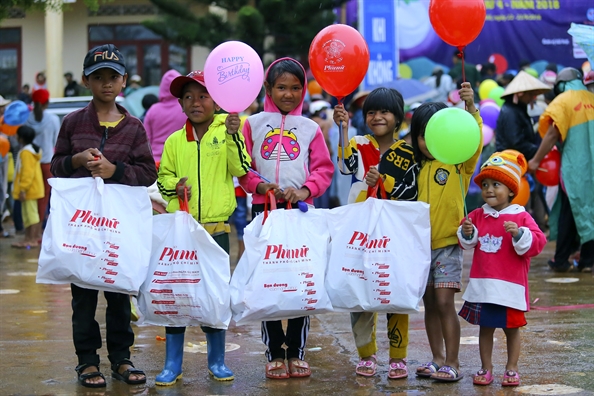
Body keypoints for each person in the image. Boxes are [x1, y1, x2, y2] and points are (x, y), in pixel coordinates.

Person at [51, 43, 156, 388]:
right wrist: (78, 161)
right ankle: (87, 362)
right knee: (82, 294)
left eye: (113, 77)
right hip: (82, 226)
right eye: (98, 78)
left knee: (118, 292)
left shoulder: (134, 127)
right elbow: (55, 168)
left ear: (123, 81)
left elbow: (147, 174)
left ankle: (121, 360)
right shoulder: (72, 122)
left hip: (118, 227)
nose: (106, 83)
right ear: (86, 81)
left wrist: (114, 170)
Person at [239, 57, 334, 379]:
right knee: (269, 282)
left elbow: (323, 169)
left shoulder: (310, 129)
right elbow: (243, 168)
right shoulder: (251, 124)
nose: (289, 94)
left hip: (299, 214)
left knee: (300, 280)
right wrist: (259, 185)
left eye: (295, 88)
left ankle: (295, 351)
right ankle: (273, 351)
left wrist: (305, 191)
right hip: (264, 212)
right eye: (281, 87)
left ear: (303, 90)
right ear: (268, 89)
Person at [155, 70, 251, 385]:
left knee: (215, 297)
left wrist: (235, 135)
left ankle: (218, 361)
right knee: (176, 296)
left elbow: (241, 168)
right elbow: (163, 176)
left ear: (215, 100)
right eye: (188, 97)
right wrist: (175, 185)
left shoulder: (228, 130)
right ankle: (172, 364)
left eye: (203, 96)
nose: (196, 103)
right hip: (181, 231)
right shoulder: (173, 141)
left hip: (216, 232)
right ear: (180, 103)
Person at [332, 87, 418, 380]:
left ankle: (398, 357)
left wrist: (386, 180)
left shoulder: (408, 152)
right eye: (371, 112)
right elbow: (345, 166)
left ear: (398, 117)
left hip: (394, 234)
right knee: (360, 292)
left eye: (384, 112)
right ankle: (366, 354)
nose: (377, 117)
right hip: (360, 233)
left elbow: (411, 191)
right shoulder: (357, 144)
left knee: (393, 290)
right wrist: (342, 130)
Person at [411, 82, 483, 382]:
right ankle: (437, 359)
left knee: (444, 303)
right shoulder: (416, 166)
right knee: (429, 304)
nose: (428, 141)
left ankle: (453, 362)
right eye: (422, 136)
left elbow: (475, 139)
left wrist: (471, 107)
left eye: (433, 134)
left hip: (447, 245)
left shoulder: (458, 163)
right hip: (420, 247)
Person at [458, 150, 546, 386]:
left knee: (512, 330)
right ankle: (486, 368)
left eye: (495, 184)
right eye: (485, 184)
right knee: (485, 329)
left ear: (510, 190)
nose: (488, 189)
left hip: (510, 288)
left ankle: (512, 368)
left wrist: (519, 234)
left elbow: (538, 242)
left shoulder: (521, 216)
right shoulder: (477, 215)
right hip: (484, 285)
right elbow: (466, 240)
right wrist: (467, 232)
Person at [528, 67, 594, 273]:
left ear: (560, 84)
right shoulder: (591, 97)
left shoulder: (563, 101)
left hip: (576, 167)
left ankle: (564, 258)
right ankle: (585, 259)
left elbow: (551, 135)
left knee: (571, 209)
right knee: (586, 209)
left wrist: (536, 161)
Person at [495, 71, 551, 230]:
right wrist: (540, 150)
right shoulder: (511, 112)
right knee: (511, 204)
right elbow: (516, 142)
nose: (532, 97)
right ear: (519, 94)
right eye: (529, 94)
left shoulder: (517, 109)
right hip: (510, 164)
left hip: (516, 163)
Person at [25, 88, 60, 233]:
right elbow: (57, 142)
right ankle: (40, 231)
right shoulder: (53, 119)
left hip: (29, 162)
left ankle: (29, 230)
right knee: (44, 198)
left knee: (29, 196)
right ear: (47, 102)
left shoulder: (26, 118)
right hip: (46, 163)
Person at [10, 126, 43, 248]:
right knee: (28, 216)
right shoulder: (29, 150)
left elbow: (27, 173)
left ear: (21, 138)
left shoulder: (26, 153)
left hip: (29, 190)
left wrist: (23, 189)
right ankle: (27, 239)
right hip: (30, 189)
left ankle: (32, 239)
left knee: (31, 215)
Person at [144, 70, 187, 162]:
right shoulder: (185, 109)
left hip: (155, 161)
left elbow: (146, 139)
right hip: (179, 160)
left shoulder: (153, 110)